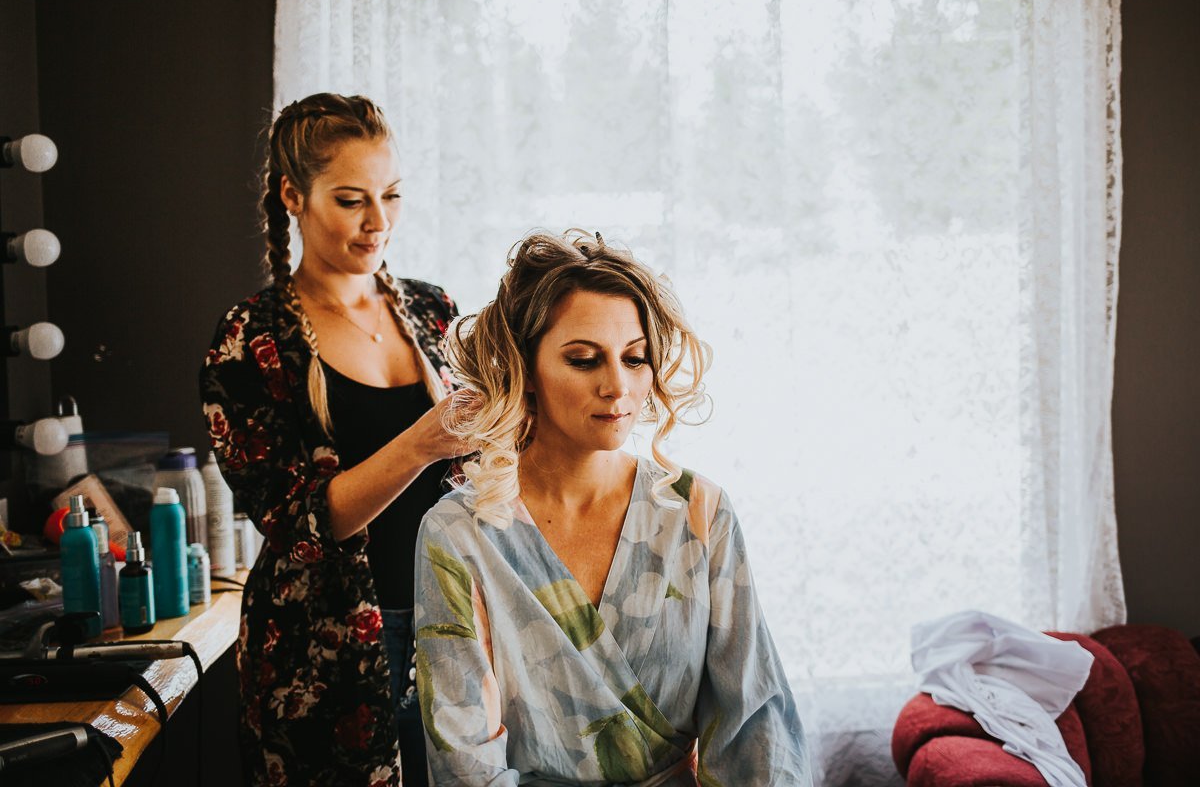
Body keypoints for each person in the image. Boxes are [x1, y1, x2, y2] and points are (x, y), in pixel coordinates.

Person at [414, 230, 811, 785]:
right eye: (583, 360)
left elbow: (752, 728)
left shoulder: (696, 512)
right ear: (523, 369)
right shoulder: (460, 534)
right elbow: (464, 760)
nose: (617, 387)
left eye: (635, 358)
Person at [199, 93, 469, 786]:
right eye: (352, 199)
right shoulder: (250, 341)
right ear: (294, 195)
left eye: (391, 195)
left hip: (453, 622)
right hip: (321, 656)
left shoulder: (434, 310)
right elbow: (298, 524)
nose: (378, 222)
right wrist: (422, 442)